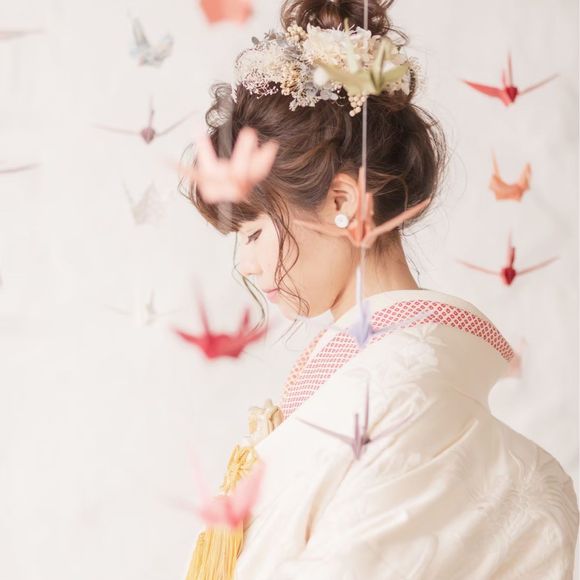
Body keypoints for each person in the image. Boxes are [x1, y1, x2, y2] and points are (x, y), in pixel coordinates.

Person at [182, 0, 579, 578]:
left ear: (342, 203)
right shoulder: (385, 382)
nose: (246, 263)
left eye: (255, 231)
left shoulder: (403, 398)